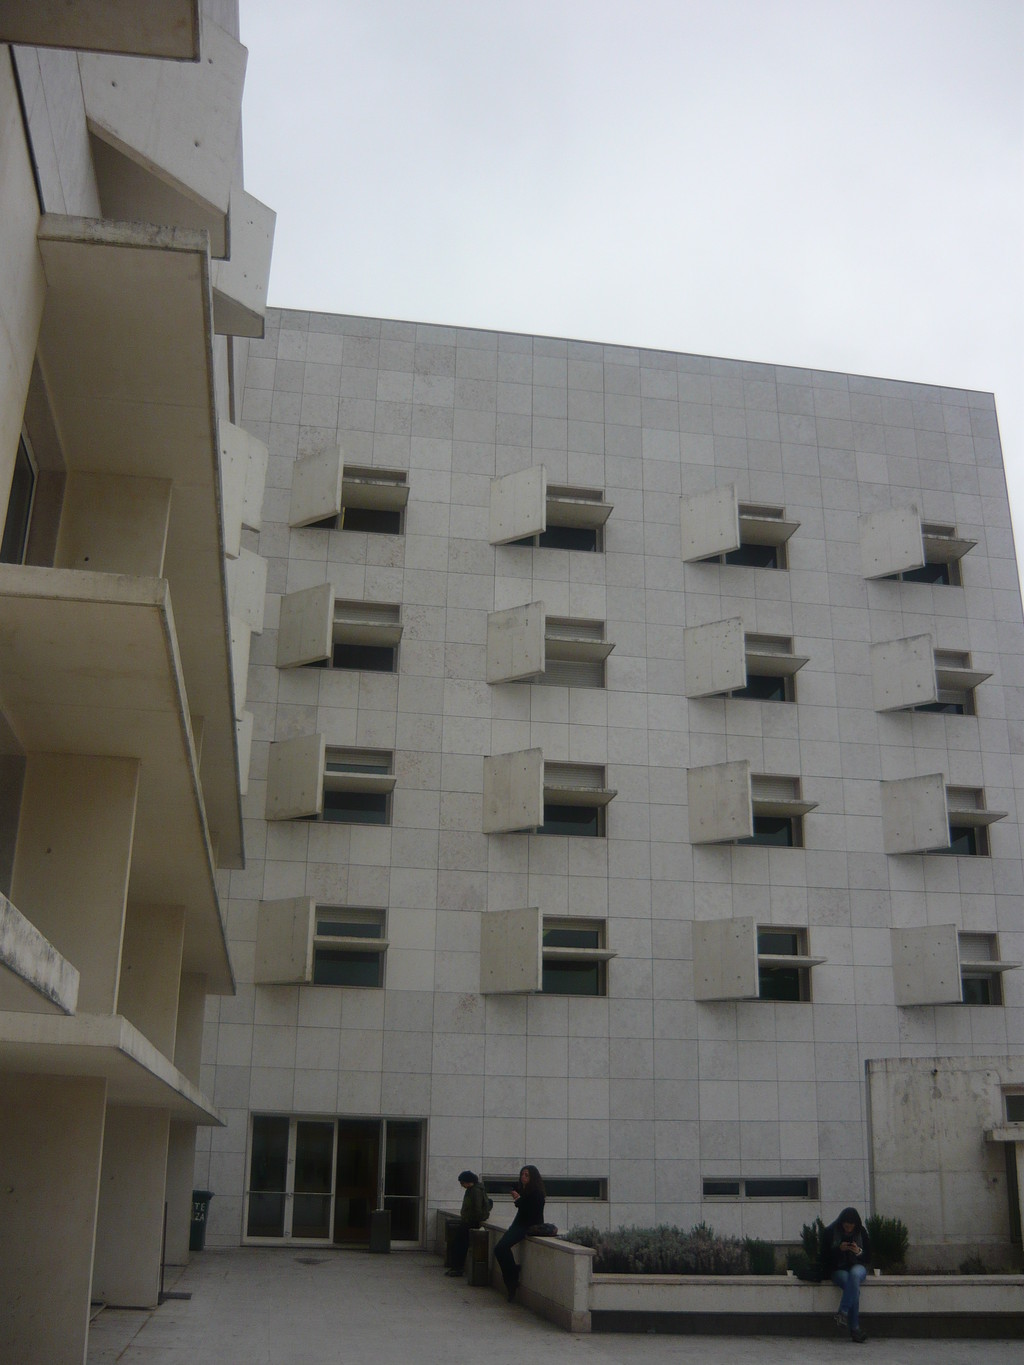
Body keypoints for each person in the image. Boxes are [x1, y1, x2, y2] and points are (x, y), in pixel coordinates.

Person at [492, 1165, 546, 1301]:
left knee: (501, 1248)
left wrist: (518, 1199)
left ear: (533, 1177)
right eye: (522, 1174)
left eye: (527, 1175)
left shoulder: (537, 1193)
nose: (523, 1177)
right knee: (499, 1248)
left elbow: (531, 1211)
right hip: (518, 1224)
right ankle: (511, 1276)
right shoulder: (525, 1190)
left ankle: (512, 1280)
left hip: (528, 1226)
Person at [822, 1206, 872, 1343]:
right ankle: (855, 1330)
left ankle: (843, 1312)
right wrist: (839, 1250)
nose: (848, 1228)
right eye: (846, 1225)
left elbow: (868, 1258)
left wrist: (858, 1252)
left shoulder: (861, 1232)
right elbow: (825, 1258)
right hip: (839, 1269)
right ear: (841, 1223)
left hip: (858, 1266)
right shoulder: (831, 1232)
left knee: (854, 1276)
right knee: (853, 1287)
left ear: (855, 1225)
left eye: (851, 1226)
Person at [445, 1170, 491, 1277]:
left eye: (462, 1183)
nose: (462, 1185)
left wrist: (475, 1218)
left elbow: (477, 1208)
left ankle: (457, 1268)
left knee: (460, 1244)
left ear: (467, 1181)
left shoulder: (475, 1191)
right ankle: (456, 1267)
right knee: (458, 1244)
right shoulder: (472, 1189)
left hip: (471, 1222)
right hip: (468, 1220)